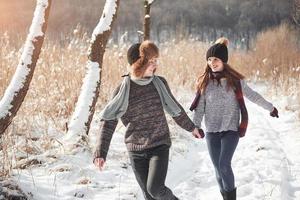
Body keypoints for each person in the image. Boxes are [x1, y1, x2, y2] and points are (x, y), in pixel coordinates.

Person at [94, 40, 203, 200]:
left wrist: (192, 128)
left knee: (156, 189)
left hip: (159, 144)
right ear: (138, 63)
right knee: (149, 196)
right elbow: (109, 120)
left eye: (155, 60)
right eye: (150, 61)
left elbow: (175, 109)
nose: (155, 64)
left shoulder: (159, 83)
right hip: (135, 150)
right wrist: (101, 152)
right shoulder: (123, 90)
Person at [190, 37, 279, 200]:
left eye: (215, 59)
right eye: (209, 60)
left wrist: (270, 107)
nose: (212, 62)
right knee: (217, 169)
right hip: (212, 131)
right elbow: (199, 108)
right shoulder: (204, 83)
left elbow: (253, 96)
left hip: (231, 129)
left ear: (223, 60)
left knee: (224, 164)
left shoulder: (235, 81)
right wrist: (196, 126)